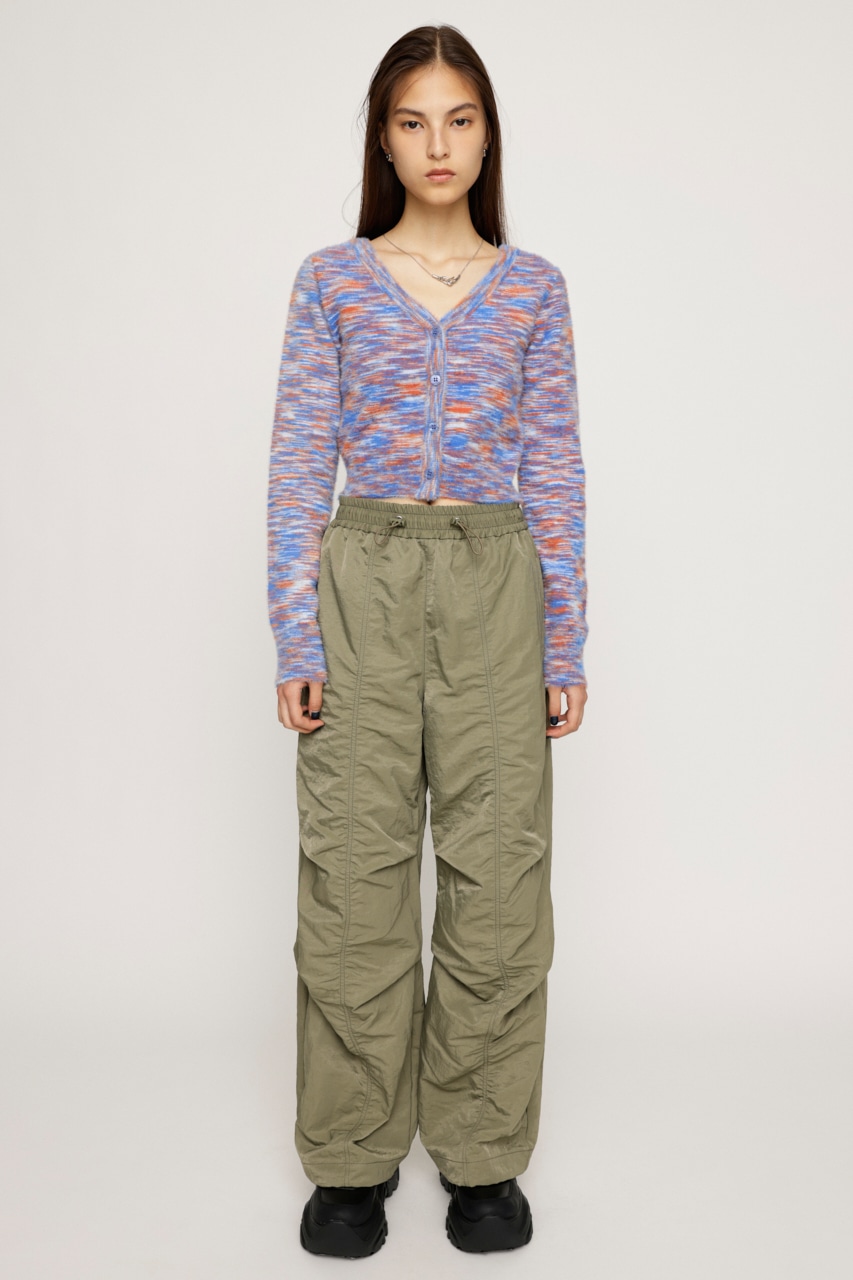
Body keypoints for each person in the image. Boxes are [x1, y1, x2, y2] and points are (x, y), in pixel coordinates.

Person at [266, 23, 589, 1258]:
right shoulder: (331, 280)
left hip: (498, 581)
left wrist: (564, 641)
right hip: (364, 578)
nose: (436, 144)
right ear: (383, 139)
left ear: (487, 135)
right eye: (411, 121)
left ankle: (481, 1153)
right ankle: (350, 1158)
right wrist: (296, 631)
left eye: (458, 119)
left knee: (498, 875)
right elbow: (299, 460)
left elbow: (554, 468)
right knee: (354, 869)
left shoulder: (535, 288)